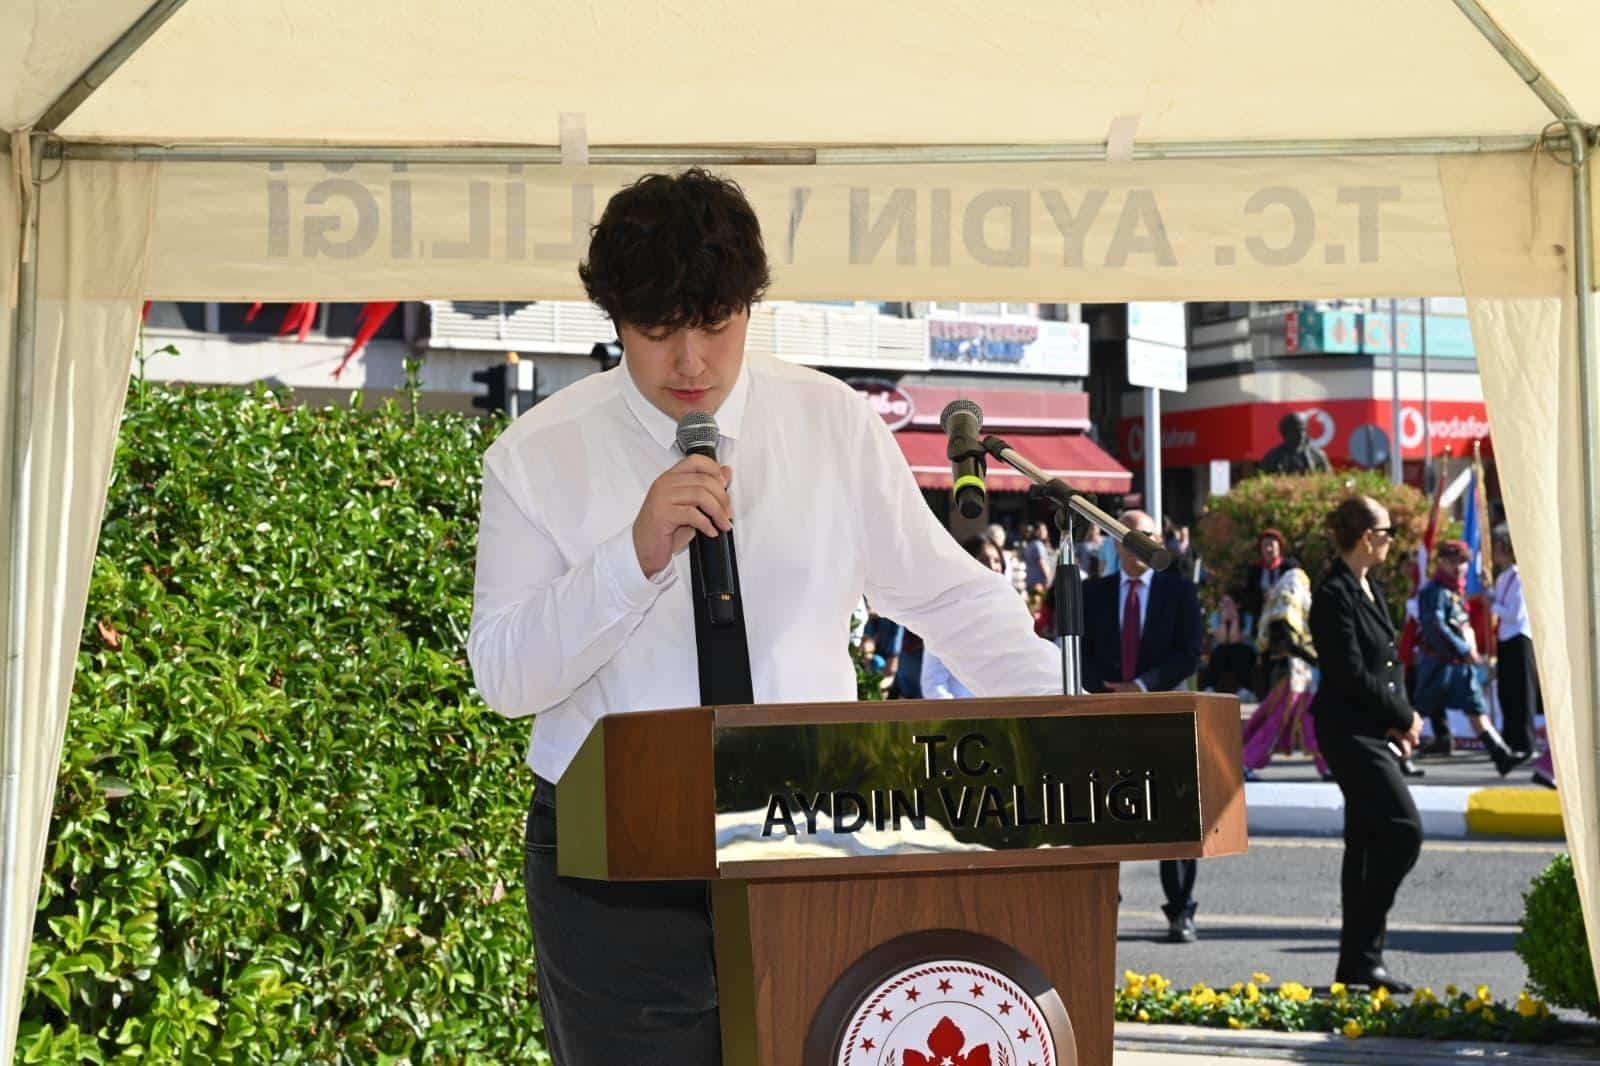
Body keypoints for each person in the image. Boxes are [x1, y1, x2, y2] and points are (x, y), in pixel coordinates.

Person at [467, 168, 1061, 1065]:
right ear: (615, 321)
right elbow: (506, 677)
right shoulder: (536, 456)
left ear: (752, 306)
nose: (690, 364)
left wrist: (1078, 715)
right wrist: (631, 558)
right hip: (611, 857)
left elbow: (946, 595)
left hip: (808, 829)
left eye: (715, 326)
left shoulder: (833, 423)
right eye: (658, 332)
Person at [1308, 495, 1423, 994]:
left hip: (1373, 727)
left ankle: (1357, 963)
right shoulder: (1333, 593)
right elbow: (1350, 673)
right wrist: (1402, 717)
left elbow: (1387, 665)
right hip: (1347, 731)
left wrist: (1401, 719)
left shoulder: (1369, 586)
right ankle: (1362, 948)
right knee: (1403, 831)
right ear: (1364, 537)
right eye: (1385, 531)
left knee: (1367, 841)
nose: (1391, 540)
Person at [1079, 510, 1204, 943]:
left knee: (1175, 816)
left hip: (1162, 713)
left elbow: (1190, 654)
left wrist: (1142, 685)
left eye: (1146, 535)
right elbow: (1077, 651)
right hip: (1106, 714)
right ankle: (1102, 902)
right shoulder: (1092, 594)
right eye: (1128, 535)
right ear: (1115, 543)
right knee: (1102, 814)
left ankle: (1180, 910)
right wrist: (1107, 689)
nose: (1137, 542)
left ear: (1159, 542)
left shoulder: (1179, 591)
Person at [1414, 540, 1527, 775]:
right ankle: (1396, 754)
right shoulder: (1434, 591)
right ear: (1441, 562)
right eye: (1452, 561)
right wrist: (1463, 649)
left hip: (1461, 666)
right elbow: (1435, 626)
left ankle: (1501, 755)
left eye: (1462, 561)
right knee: (1418, 713)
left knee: (1476, 709)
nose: (1458, 567)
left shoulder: (1456, 591)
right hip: (1439, 665)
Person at [1239, 566, 1334, 779]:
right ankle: (1246, 761)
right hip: (1292, 676)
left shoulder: (1281, 610)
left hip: (1302, 676)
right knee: (1277, 720)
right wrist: (1313, 657)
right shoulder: (1286, 613)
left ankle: (1326, 765)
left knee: (1311, 720)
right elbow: (1290, 645)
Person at [924, 536, 1007, 698]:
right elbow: (933, 684)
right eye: (983, 560)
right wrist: (965, 712)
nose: (992, 566)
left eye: (997, 561)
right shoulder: (946, 616)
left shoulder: (1007, 613)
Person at [1490, 527, 1540, 760]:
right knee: (1506, 691)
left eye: (1498, 548)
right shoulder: (1502, 578)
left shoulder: (1520, 577)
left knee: (1523, 692)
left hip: (1519, 637)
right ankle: (1511, 739)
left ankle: (1526, 742)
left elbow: (1515, 614)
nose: (1494, 552)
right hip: (1505, 638)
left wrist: (1492, 604)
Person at [1201, 589, 1257, 699]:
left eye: (1228, 603)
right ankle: (1210, 687)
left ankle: (1246, 690)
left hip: (1243, 650)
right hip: (1223, 651)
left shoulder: (1247, 617)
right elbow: (1222, 640)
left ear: (1237, 605)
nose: (1224, 606)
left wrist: (1235, 618)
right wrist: (1223, 621)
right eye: (1223, 603)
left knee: (1238, 651)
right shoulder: (1215, 616)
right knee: (1219, 651)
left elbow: (1234, 640)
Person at [1023, 521, 1056, 593]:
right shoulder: (1038, 545)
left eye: (1045, 529)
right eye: (1042, 529)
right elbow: (1042, 562)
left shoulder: (1030, 544)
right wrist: (1049, 579)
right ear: (1036, 532)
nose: (1045, 532)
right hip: (1039, 583)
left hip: (1030, 581)